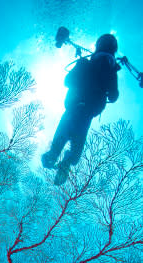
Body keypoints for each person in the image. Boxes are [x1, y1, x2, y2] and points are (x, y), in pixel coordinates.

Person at [42, 33, 119, 185]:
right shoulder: (111, 71)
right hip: (87, 113)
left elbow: (67, 81)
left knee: (57, 147)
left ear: (97, 48)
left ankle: (56, 158)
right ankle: (64, 162)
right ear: (113, 52)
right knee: (74, 155)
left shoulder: (85, 63)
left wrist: (81, 73)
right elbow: (113, 97)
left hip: (73, 109)